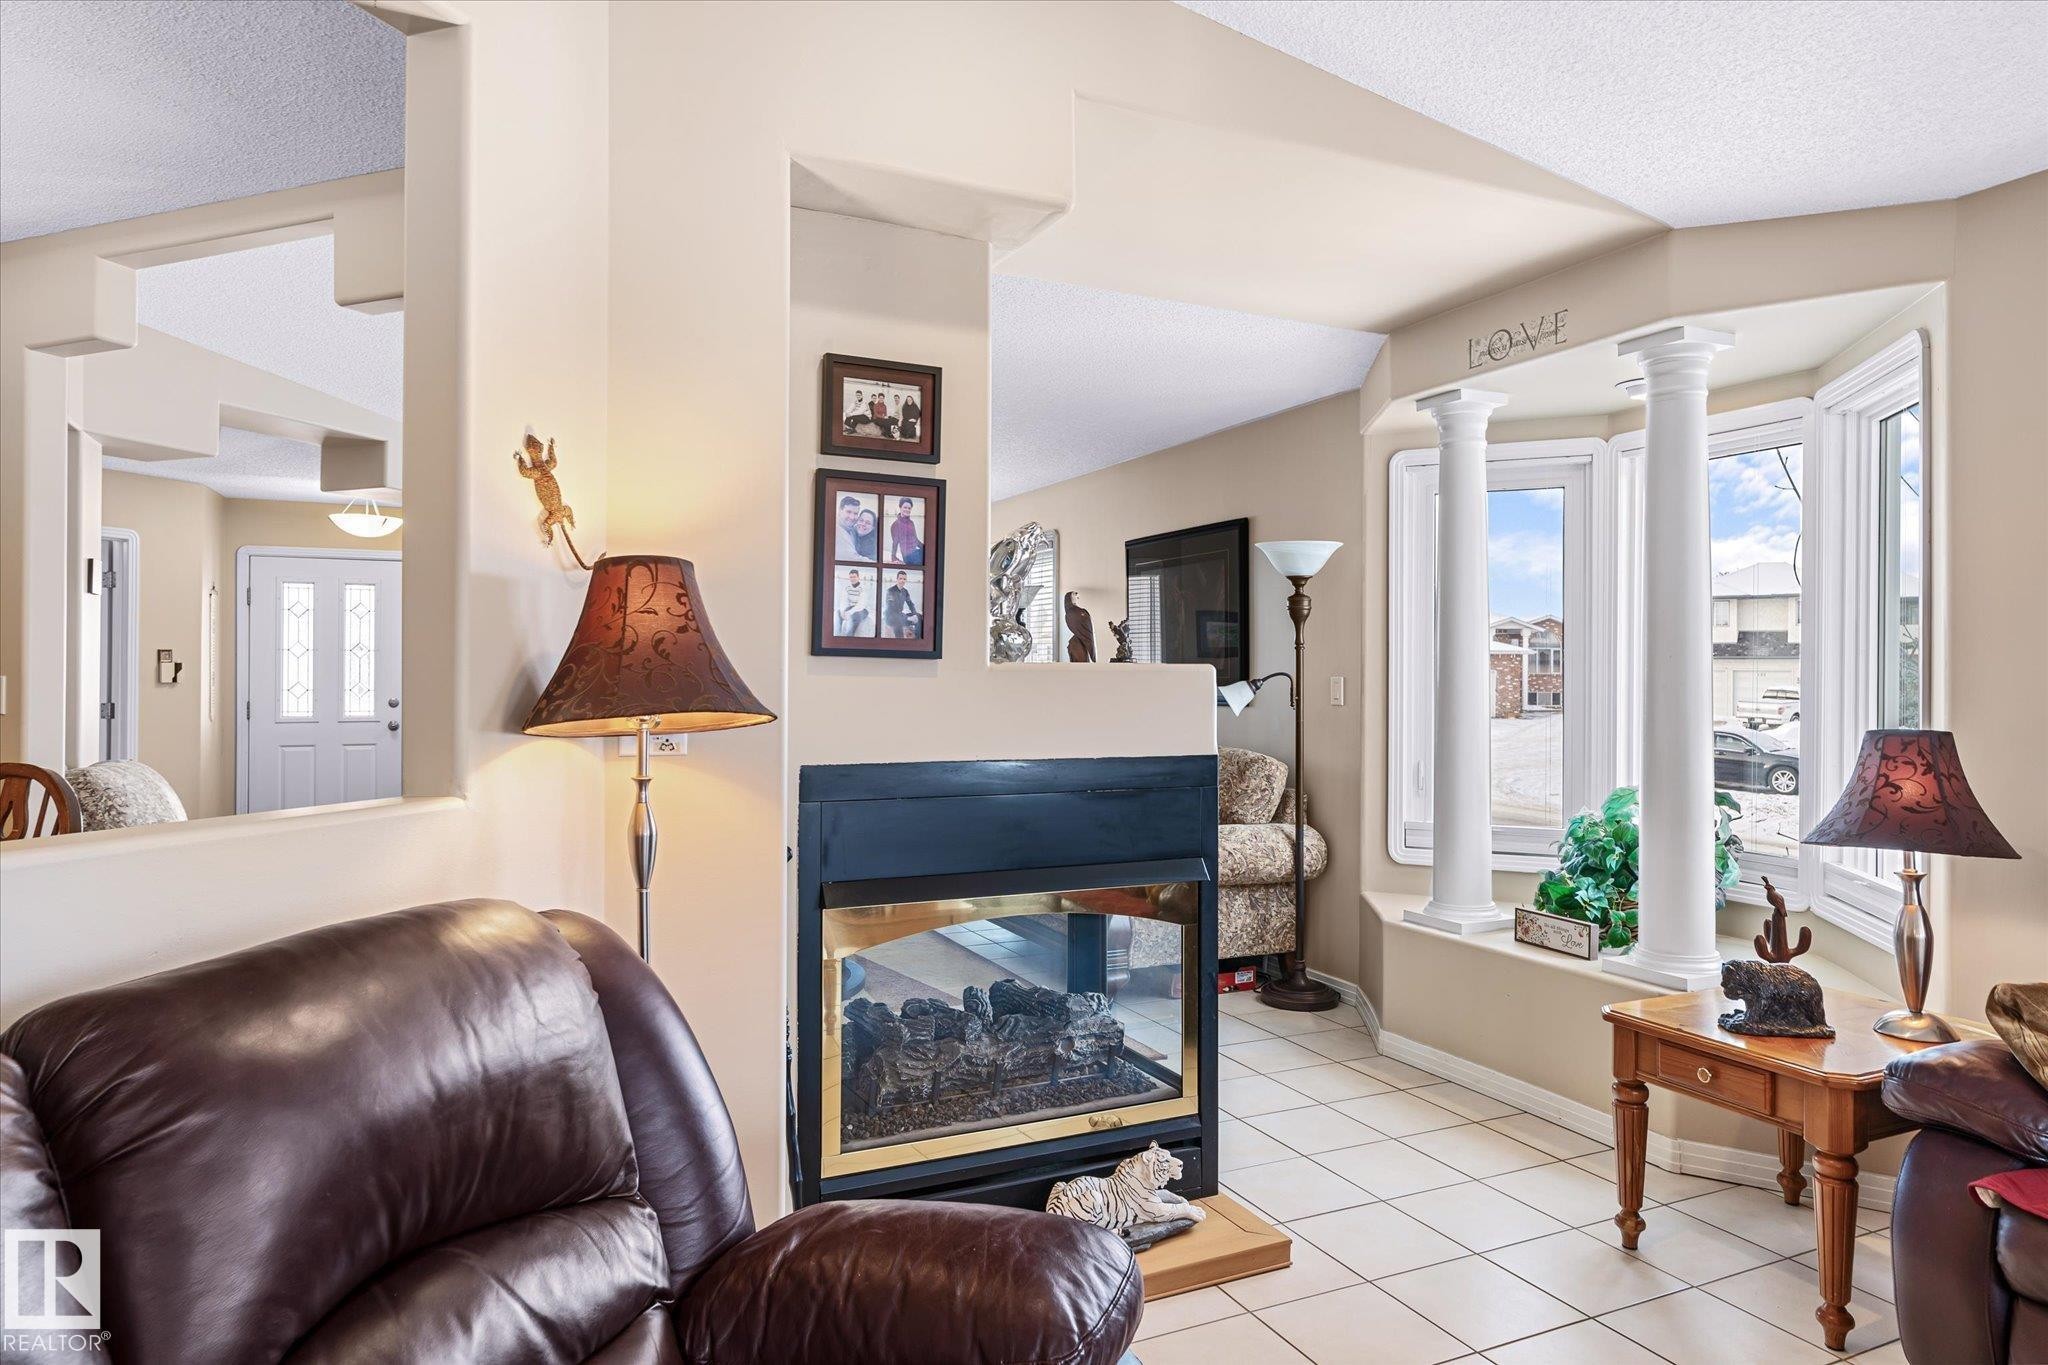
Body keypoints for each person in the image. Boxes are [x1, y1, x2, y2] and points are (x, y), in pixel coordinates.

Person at [883, 570, 921, 639]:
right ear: (897, 579)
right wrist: (907, 618)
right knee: (898, 620)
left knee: (919, 616)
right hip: (890, 616)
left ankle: (917, 639)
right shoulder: (890, 591)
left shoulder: (905, 591)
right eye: (900, 578)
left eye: (904, 579)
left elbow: (910, 604)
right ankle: (900, 641)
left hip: (900, 615)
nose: (902, 581)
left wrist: (914, 614)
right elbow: (891, 608)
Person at [888, 496, 924, 566]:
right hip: (908, 556)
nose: (907, 510)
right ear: (900, 508)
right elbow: (895, 543)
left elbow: (916, 540)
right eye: (905, 507)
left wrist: (926, 548)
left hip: (915, 552)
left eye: (909, 508)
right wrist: (893, 557)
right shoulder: (895, 524)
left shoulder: (911, 523)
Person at [835, 568, 871, 636]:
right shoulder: (847, 588)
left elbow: (861, 604)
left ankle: (849, 636)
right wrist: (843, 611)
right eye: (851, 577)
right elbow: (843, 600)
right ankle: (837, 634)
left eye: (854, 577)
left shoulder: (863, 588)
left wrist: (849, 612)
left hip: (862, 609)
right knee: (838, 613)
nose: (852, 579)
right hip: (850, 607)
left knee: (855, 616)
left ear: (858, 577)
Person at [834, 494, 868, 560]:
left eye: (855, 514)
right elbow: (854, 559)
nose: (852, 517)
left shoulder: (851, 530)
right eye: (848, 512)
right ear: (840, 511)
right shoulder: (836, 531)